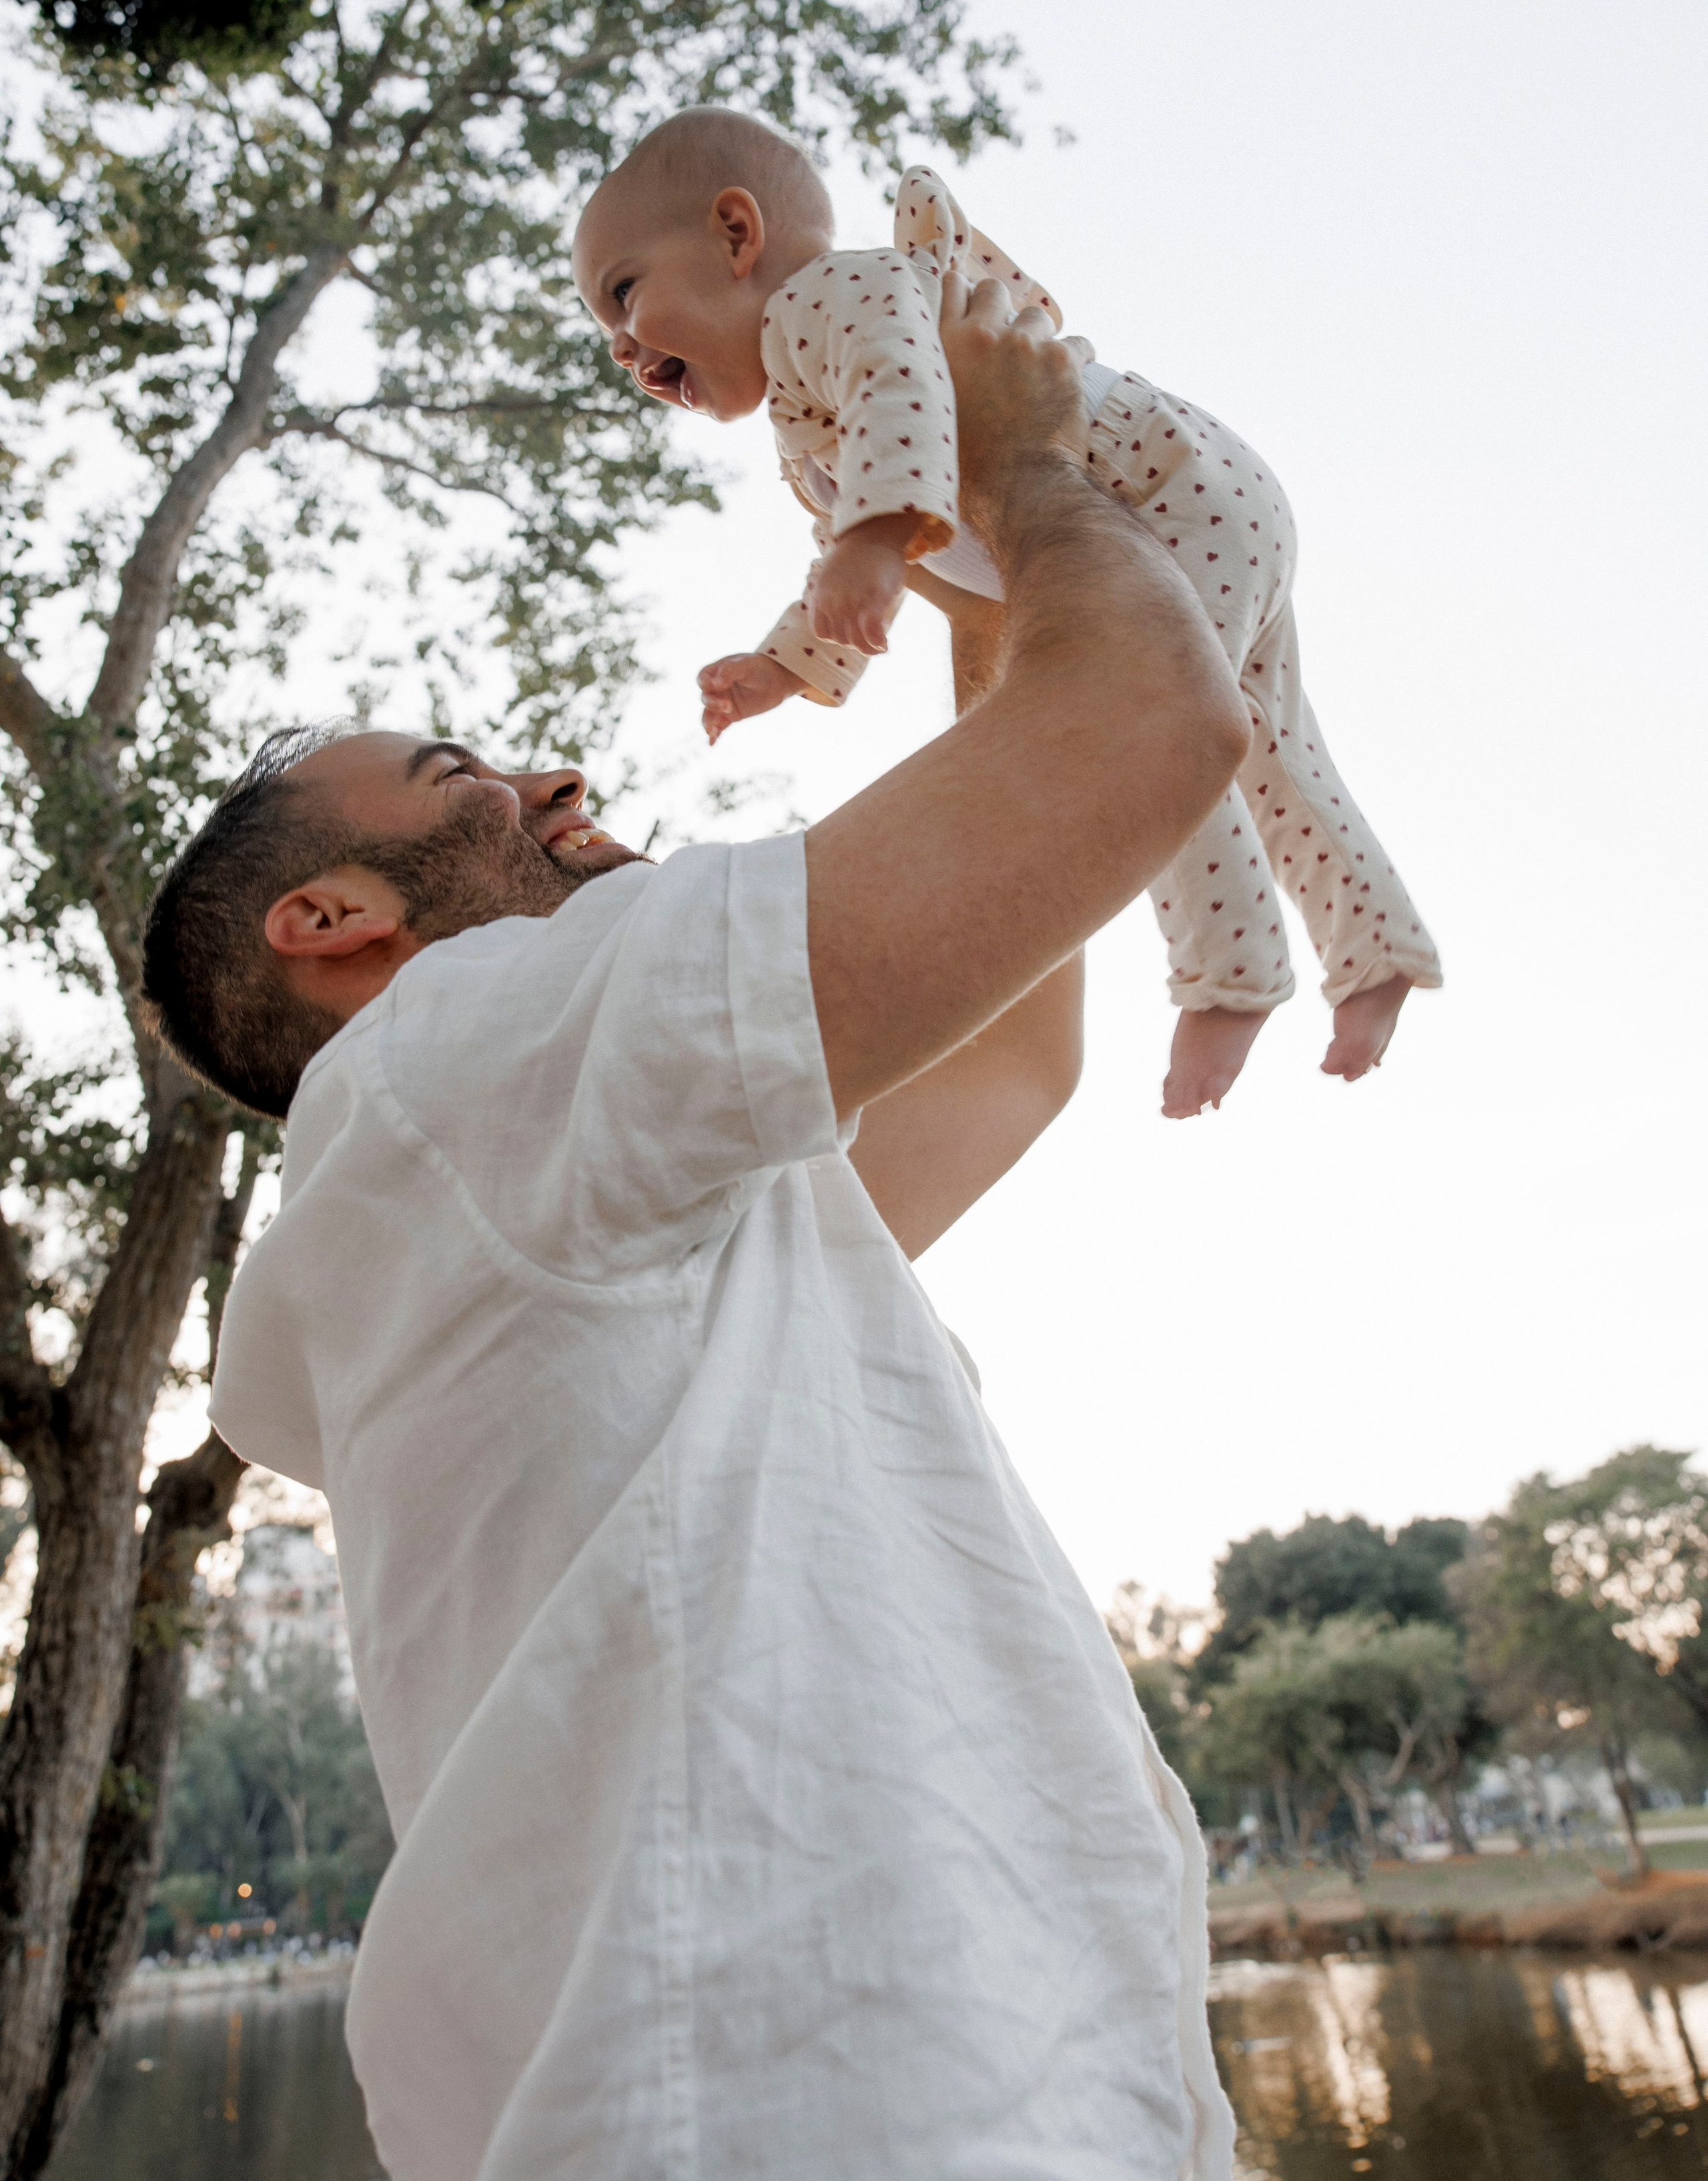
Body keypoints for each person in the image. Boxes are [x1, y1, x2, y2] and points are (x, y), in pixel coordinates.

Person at [141, 279, 1252, 2181]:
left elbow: (1008, 1058)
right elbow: (1151, 727)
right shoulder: (463, 1060)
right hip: (815, 2111)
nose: (553, 780)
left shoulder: (564, 1195)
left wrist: (973, 584)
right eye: (463, 781)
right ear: (330, 923)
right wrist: (1030, 473)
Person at [571, 109, 1442, 1119]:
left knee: (1143, 717)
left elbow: (904, 393)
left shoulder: (826, 299)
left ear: (736, 234)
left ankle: (1231, 974)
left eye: (624, 293)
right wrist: (787, 663)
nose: (621, 348)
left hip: (1154, 489)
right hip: (1203, 492)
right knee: (1276, 745)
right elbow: (846, 541)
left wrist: (875, 540)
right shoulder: (802, 407)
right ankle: (1376, 948)